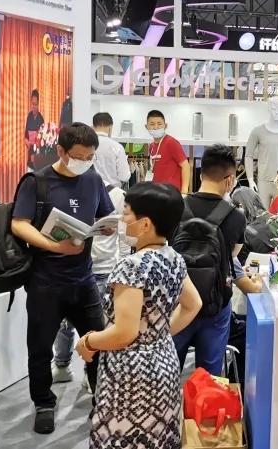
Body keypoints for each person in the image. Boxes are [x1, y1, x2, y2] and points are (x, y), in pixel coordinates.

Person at [77, 182, 203, 448]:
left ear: (145, 223)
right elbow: (193, 305)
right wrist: (157, 334)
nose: (121, 220)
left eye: (126, 213)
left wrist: (88, 341)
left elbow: (124, 332)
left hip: (130, 375)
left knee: (123, 438)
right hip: (165, 364)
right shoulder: (173, 257)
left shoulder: (131, 267)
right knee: (158, 437)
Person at [10, 123, 115, 435]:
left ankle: (102, 400)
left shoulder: (93, 179)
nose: (84, 162)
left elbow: (104, 214)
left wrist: (106, 226)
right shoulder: (37, 181)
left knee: (98, 343)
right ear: (61, 151)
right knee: (40, 348)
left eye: (90, 157)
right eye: (78, 156)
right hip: (45, 280)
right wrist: (55, 246)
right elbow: (19, 224)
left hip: (84, 279)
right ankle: (44, 403)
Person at [173, 144, 247, 376]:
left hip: (177, 303)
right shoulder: (236, 216)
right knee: (209, 377)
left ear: (200, 174)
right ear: (230, 179)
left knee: (168, 371)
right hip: (215, 305)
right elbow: (232, 255)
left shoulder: (175, 207)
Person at [51, 178, 129, 392]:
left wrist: (121, 265)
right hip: (72, 267)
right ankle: (62, 364)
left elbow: (122, 235)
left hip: (103, 268)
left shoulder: (116, 195)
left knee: (96, 325)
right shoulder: (66, 191)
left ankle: (90, 370)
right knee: (64, 322)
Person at [146, 110, 191, 192]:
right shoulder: (151, 146)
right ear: (146, 127)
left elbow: (185, 166)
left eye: (159, 124)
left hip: (171, 192)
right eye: (152, 124)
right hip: (157, 191)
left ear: (165, 126)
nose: (156, 127)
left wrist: (184, 191)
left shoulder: (171, 142)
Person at [91, 112, 131, 188]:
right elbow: (124, 176)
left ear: (93, 127)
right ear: (110, 127)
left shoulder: (86, 145)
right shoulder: (117, 147)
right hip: (111, 191)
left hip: (91, 189)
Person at [25, 89, 45, 171]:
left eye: (35, 104)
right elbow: (26, 135)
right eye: (32, 104)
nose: (34, 106)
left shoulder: (41, 119)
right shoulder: (29, 116)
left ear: (38, 103)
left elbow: (42, 141)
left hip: (38, 158)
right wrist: (26, 141)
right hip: (30, 155)